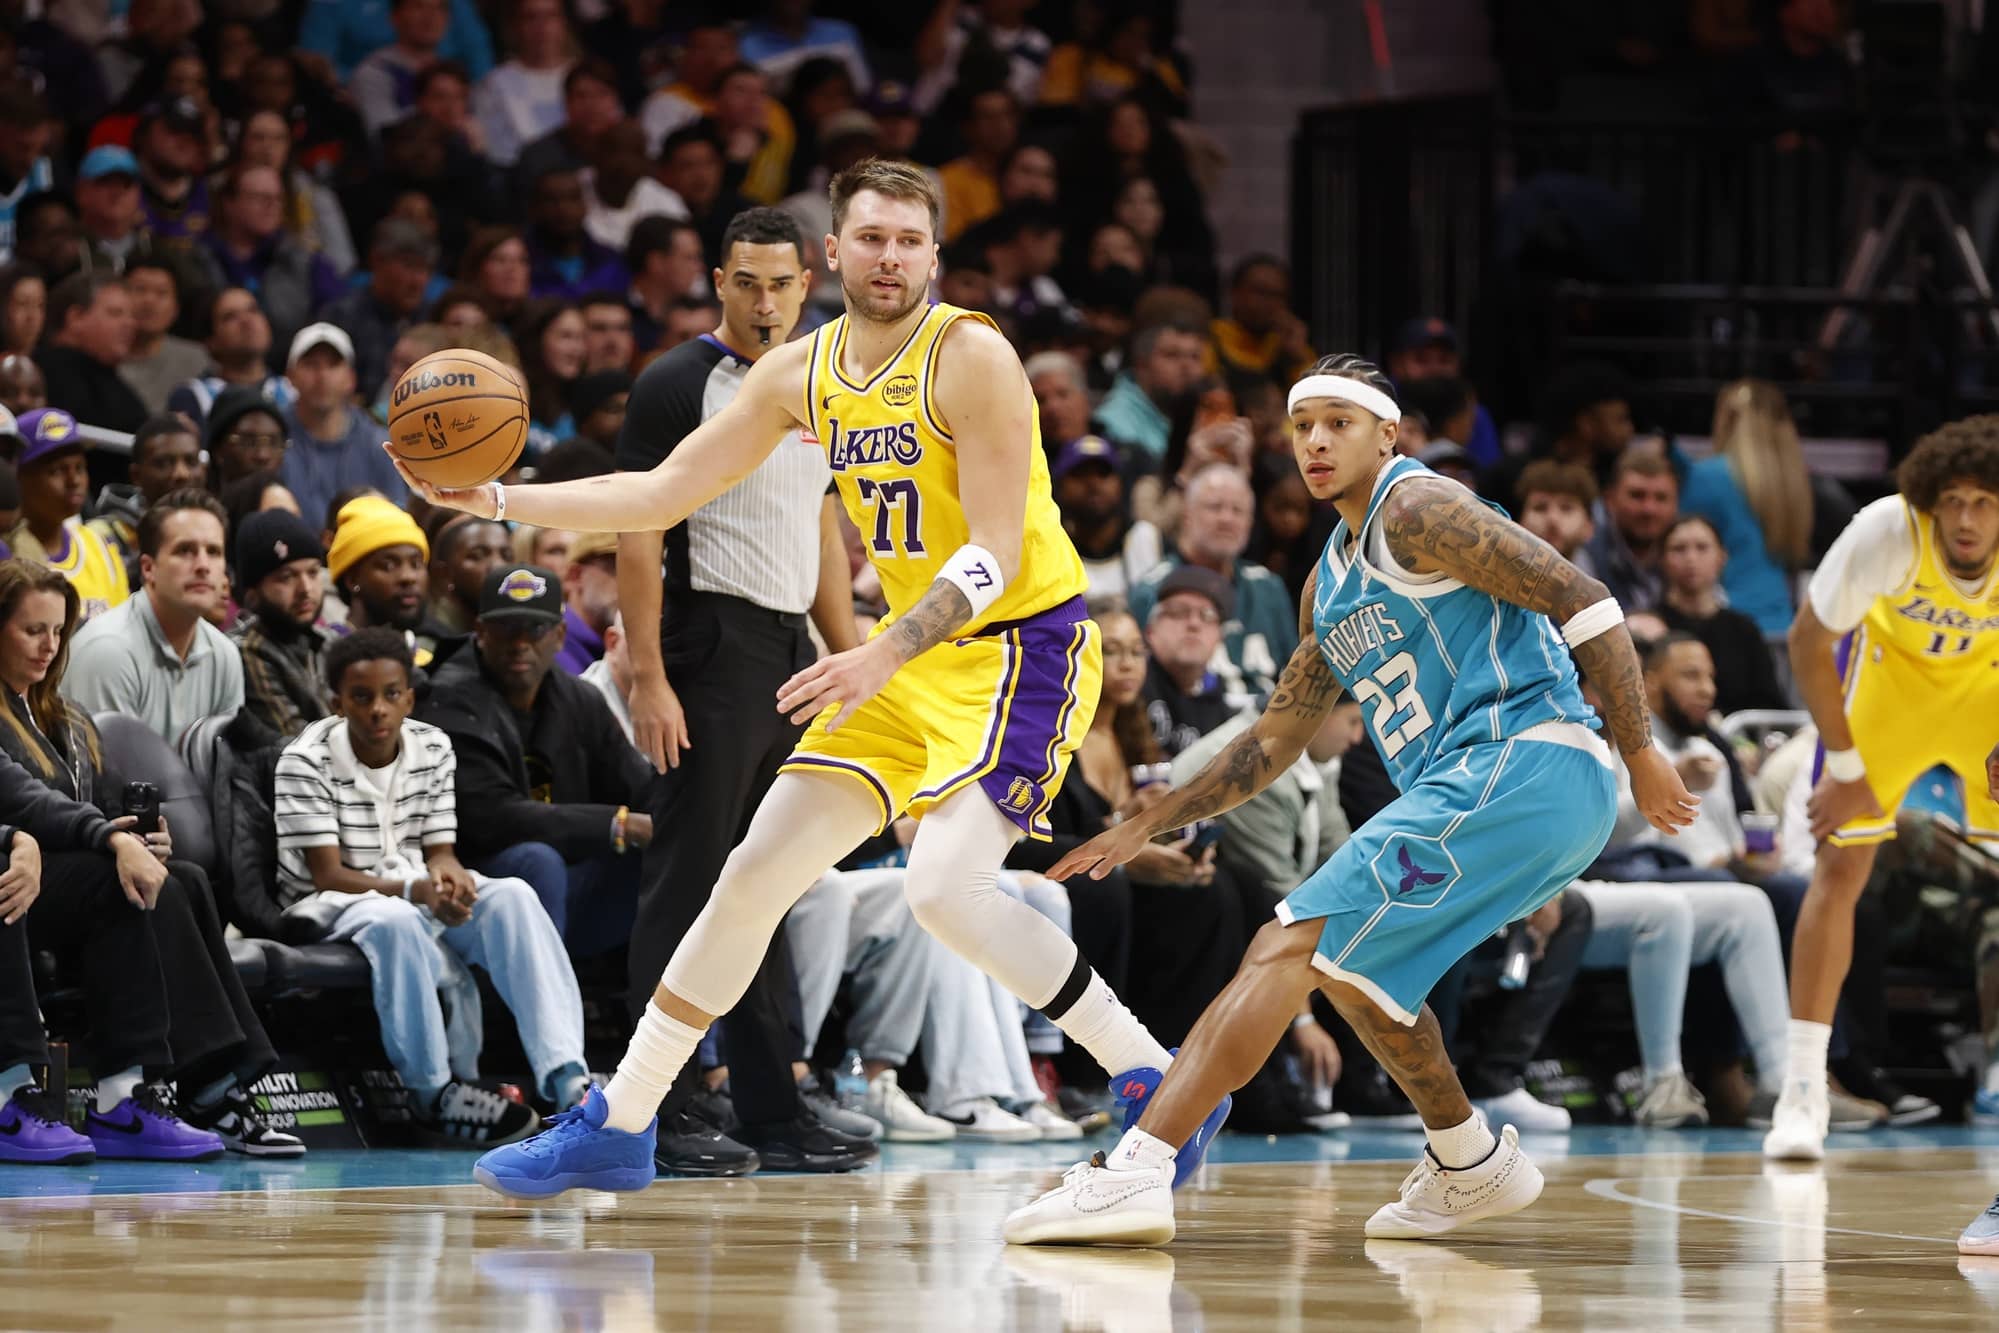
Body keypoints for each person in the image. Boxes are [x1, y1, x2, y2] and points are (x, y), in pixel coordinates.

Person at [397, 160, 1208, 1200]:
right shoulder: (802, 372)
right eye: (870, 238)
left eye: (910, 241)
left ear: (934, 256)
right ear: (833, 251)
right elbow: (659, 490)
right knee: (749, 875)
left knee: (943, 889)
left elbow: (995, 552)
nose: (890, 258)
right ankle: (621, 1119)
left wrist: (879, 646)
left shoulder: (972, 357)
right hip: (903, 663)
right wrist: (496, 492)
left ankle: (1154, 1075)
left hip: (1019, 651)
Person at [1002, 353, 1692, 1246]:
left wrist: (1639, 749)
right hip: (1489, 788)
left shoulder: (1420, 506)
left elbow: (1585, 599)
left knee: (1284, 942)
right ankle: (1468, 1158)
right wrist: (1148, 819)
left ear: (1386, 433)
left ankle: (1138, 1166)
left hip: (1525, 760)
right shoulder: (1326, 583)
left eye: (1338, 422)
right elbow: (1272, 739)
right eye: (1301, 426)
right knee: (1362, 981)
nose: (1316, 441)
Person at [605, 205, 873, 1177]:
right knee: (685, 885)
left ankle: (771, 1107)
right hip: (706, 640)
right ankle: (656, 1108)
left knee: (765, 886)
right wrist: (650, 675)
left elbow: (823, 539)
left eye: (782, 283)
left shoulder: (828, 379)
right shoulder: (680, 382)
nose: (765, 301)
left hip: (787, 651)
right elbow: (637, 531)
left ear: (811, 284)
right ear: (719, 280)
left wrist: (853, 663)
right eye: (747, 281)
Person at [1752, 419, 1999, 1185]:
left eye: (1985, 502)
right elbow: (1805, 641)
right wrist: (1848, 763)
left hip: (1985, 688)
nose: (1964, 519)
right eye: (1951, 500)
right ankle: (1802, 1089)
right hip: (1888, 689)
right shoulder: (1886, 530)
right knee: (1840, 869)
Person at [0, 558, 301, 1157]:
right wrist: (104, 840)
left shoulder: (64, 716)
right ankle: (89, 1096)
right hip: (23, 874)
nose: (49, 645)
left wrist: (138, 837)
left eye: (58, 631)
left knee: (180, 877)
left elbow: (84, 805)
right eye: (32, 629)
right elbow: (21, 797)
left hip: (56, 875)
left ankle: (212, 1083)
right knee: (110, 880)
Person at [276, 628, 584, 1146]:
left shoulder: (433, 745)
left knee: (512, 896)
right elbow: (326, 874)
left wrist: (451, 878)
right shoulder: (304, 759)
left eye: (391, 694)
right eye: (362, 697)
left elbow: (440, 849)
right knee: (395, 922)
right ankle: (432, 1093)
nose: (379, 709)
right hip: (331, 903)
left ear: (410, 697)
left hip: (411, 885)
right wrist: (415, 892)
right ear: (336, 703)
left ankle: (568, 1081)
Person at [418, 564, 653, 956]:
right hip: (479, 887)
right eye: (507, 628)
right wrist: (618, 824)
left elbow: (640, 787)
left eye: (535, 629)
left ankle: (668, 1011)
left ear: (559, 636)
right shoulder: (449, 700)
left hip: (569, 886)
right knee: (536, 862)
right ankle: (537, 1009)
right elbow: (493, 818)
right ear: (480, 632)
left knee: (671, 856)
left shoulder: (580, 699)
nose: (520, 643)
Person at [62, 489, 242, 745]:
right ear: (148, 569)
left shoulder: (225, 655)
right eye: (185, 550)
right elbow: (110, 778)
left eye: (213, 552)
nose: (203, 565)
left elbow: (227, 770)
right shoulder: (109, 651)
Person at [1127, 464, 1298, 697]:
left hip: (1270, 728)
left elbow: (1297, 676)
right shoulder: (1153, 590)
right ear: (1187, 515)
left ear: (1250, 522)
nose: (1226, 519)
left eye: (1237, 510)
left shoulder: (1269, 587)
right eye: (1214, 507)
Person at [281, 322, 409, 527]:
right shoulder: (272, 441)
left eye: (333, 365)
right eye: (311, 364)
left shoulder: (382, 445)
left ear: (351, 378)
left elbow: (397, 521)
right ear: (290, 376)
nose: (322, 376)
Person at [5, 408, 128, 619]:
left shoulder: (99, 546)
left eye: (79, 468)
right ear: (19, 478)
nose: (74, 481)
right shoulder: (7, 553)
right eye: (56, 470)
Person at [1657, 516, 1786, 715]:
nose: (1691, 558)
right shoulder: (1651, 624)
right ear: (1662, 560)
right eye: (1679, 549)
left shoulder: (1744, 629)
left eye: (1702, 547)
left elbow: (1769, 703)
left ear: (1721, 557)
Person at [231, 509, 334, 742]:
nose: (306, 589)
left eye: (313, 572)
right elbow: (301, 747)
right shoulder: (248, 650)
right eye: (287, 577)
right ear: (253, 592)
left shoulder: (327, 641)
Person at [87, 413, 202, 577]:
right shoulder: (100, 538)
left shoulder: (213, 529)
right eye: (163, 463)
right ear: (136, 475)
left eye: (191, 462)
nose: (181, 473)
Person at [38, 271, 147, 436]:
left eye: (132, 316)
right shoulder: (45, 375)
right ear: (76, 317)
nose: (130, 324)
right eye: (116, 313)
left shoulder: (109, 379)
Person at [1582, 450, 1678, 615]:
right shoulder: (1586, 556)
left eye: (1661, 498)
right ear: (1610, 500)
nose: (1649, 509)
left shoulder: (1687, 552)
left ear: (1676, 503)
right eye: (1637, 496)